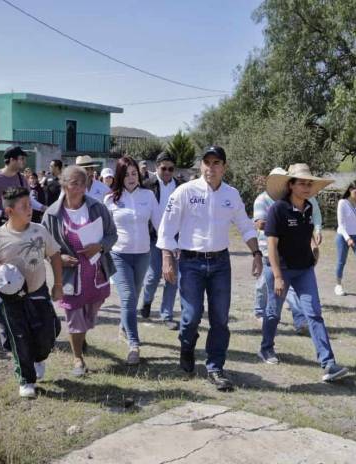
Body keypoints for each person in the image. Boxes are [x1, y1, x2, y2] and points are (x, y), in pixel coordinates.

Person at [157, 145, 263, 391]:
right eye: (207, 162)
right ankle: (186, 345)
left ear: (224, 167)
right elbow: (167, 228)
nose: (211, 168)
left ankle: (215, 368)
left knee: (220, 319)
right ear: (200, 165)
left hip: (220, 264)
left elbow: (246, 226)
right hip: (190, 263)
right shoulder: (184, 192)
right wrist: (166, 258)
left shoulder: (231, 195)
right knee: (191, 316)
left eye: (216, 163)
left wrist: (256, 253)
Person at [259, 163, 349, 382]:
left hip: (304, 270)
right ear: (291, 185)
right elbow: (271, 245)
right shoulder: (278, 209)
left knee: (314, 313)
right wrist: (278, 276)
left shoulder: (309, 208)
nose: (307, 187)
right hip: (280, 269)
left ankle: (328, 364)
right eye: (302, 183)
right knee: (273, 312)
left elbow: (307, 234)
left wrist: (313, 249)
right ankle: (266, 348)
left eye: (310, 183)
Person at [0, 187, 63, 398]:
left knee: (49, 332)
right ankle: (26, 380)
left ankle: (39, 358)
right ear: (9, 211)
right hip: (11, 299)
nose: (29, 209)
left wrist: (58, 285)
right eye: (23, 206)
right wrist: (0, 267)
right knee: (19, 338)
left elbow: (54, 256)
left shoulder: (39, 230)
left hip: (38, 292)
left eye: (30, 204)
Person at [42, 166, 118, 376]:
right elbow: (42, 245)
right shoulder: (52, 214)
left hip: (96, 274)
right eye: (74, 183)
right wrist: (57, 257)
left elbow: (112, 235)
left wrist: (100, 246)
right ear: (64, 185)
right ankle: (78, 359)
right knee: (75, 318)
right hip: (69, 277)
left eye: (83, 183)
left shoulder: (97, 208)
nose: (80, 188)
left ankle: (80, 339)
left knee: (88, 317)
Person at [104, 157, 162, 364]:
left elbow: (159, 223)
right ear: (119, 176)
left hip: (143, 255)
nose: (131, 177)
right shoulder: (110, 200)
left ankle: (123, 326)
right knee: (128, 298)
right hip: (119, 255)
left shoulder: (148, 195)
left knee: (134, 297)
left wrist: (170, 248)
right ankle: (134, 345)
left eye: (134, 173)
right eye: (127, 174)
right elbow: (104, 230)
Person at [252, 168, 308, 335]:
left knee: (289, 288)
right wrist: (280, 220)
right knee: (263, 283)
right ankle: (259, 312)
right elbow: (260, 224)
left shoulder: (291, 201)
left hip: (288, 251)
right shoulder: (261, 199)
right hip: (266, 247)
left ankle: (299, 320)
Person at [140, 152, 182, 329]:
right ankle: (147, 302)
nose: (167, 172)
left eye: (170, 168)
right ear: (156, 167)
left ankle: (166, 314)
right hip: (153, 237)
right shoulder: (146, 186)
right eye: (163, 168)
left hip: (176, 238)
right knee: (153, 275)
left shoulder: (181, 187)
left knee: (173, 277)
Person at [0, 146, 46, 231]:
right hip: (0, 225)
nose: (24, 162)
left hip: (19, 224)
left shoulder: (22, 179)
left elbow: (29, 200)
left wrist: (43, 208)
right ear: (12, 160)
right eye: (22, 159)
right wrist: (0, 213)